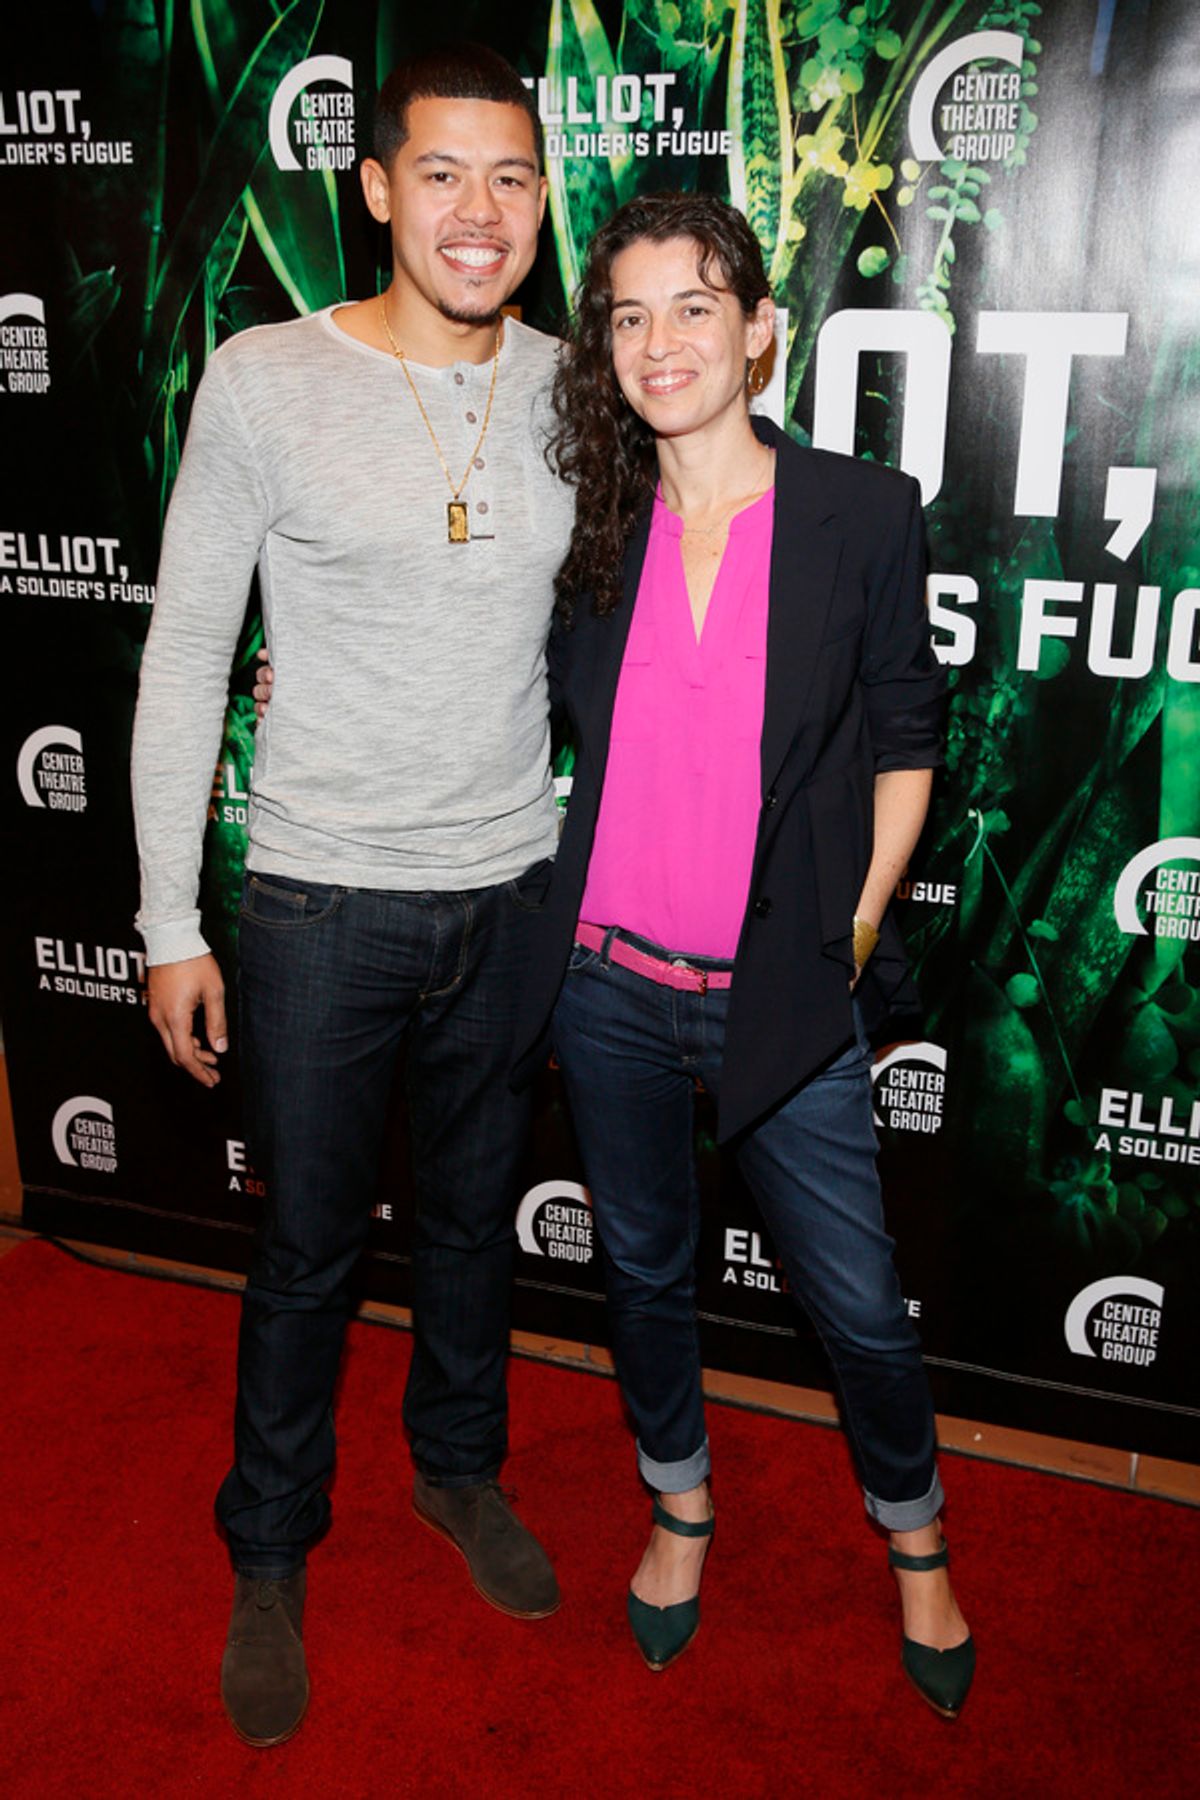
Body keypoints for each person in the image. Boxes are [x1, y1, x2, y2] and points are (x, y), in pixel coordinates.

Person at [131, 45, 575, 1748]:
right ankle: (269, 1544)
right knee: (311, 1246)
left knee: (473, 1225)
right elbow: (183, 654)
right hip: (320, 903)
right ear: (376, 188)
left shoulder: (568, 388)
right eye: (446, 175)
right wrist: (171, 915)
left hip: (510, 892)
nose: (482, 212)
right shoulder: (260, 379)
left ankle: (458, 1473)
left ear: (543, 203)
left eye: (514, 179)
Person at [510, 192, 975, 1717]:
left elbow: (909, 744)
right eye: (630, 316)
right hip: (607, 983)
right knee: (644, 1271)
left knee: (852, 1295)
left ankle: (917, 1546)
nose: (661, 343)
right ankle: (680, 1508)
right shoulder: (587, 521)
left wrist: (846, 934)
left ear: (761, 329)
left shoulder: (860, 512)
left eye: (695, 308)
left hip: (782, 993)